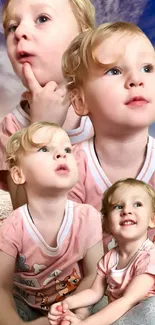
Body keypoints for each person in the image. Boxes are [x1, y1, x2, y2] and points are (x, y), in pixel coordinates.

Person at [62, 21, 155, 249]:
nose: (137, 79)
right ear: (80, 101)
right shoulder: (71, 167)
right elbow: (64, 248)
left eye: (148, 68)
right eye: (114, 71)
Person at [0, 121, 103, 325]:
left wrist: (75, 312)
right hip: (24, 304)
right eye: (44, 149)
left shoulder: (88, 217)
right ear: (19, 175)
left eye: (66, 149)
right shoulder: (13, 226)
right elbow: (1, 287)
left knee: (110, 300)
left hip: (75, 299)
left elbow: (94, 275)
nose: (61, 154)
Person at [0, 0, 95, 209]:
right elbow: (24, 213)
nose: (19, 32)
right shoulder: (10, 128)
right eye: (12, 27)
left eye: (42, 19)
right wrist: (41, 128)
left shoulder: (107, 111)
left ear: (84, 41)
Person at [49, 178, 155, 325]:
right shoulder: (110, 258)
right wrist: (66, 304)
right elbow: (94, 292)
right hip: (116, 315)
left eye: (137, 204)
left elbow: (129, 300)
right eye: (118, 206)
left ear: (152, 220)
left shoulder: (150, 256)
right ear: (106, 223)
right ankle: (79, 317)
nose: (127, 211)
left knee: (152, 308)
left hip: (141, 317)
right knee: (93, 302)